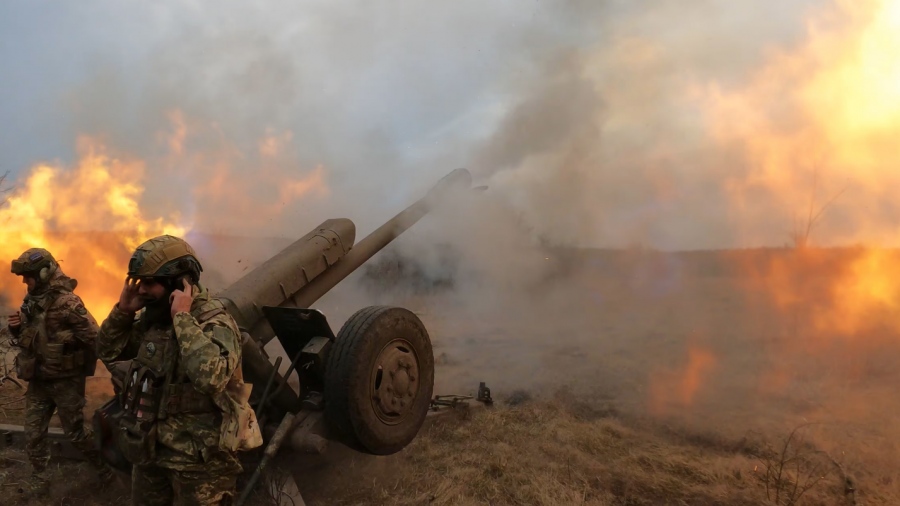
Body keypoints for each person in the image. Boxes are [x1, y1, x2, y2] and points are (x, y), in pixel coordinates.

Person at [95, 235, 261, 505]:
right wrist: (122, 312)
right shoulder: (154, 321)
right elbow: (108, 351)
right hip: (150, 448)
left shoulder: (214, 321)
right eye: (139, 283)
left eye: (149, 283)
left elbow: (211, 379)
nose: (142, 291)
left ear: (179, 282)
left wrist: (182, 319)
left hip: (198, 460)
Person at [6, 247, 111, 495]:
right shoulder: (32, 300)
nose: (24, 281)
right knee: (33, 433)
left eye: (28, 276)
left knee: (75, 433)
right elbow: (30, 336)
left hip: (66, 382)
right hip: (39, 380)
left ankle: (105, 469)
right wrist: (17, 328)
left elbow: (96, 339)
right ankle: (39, 479)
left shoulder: (69, 303)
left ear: (44, 273)